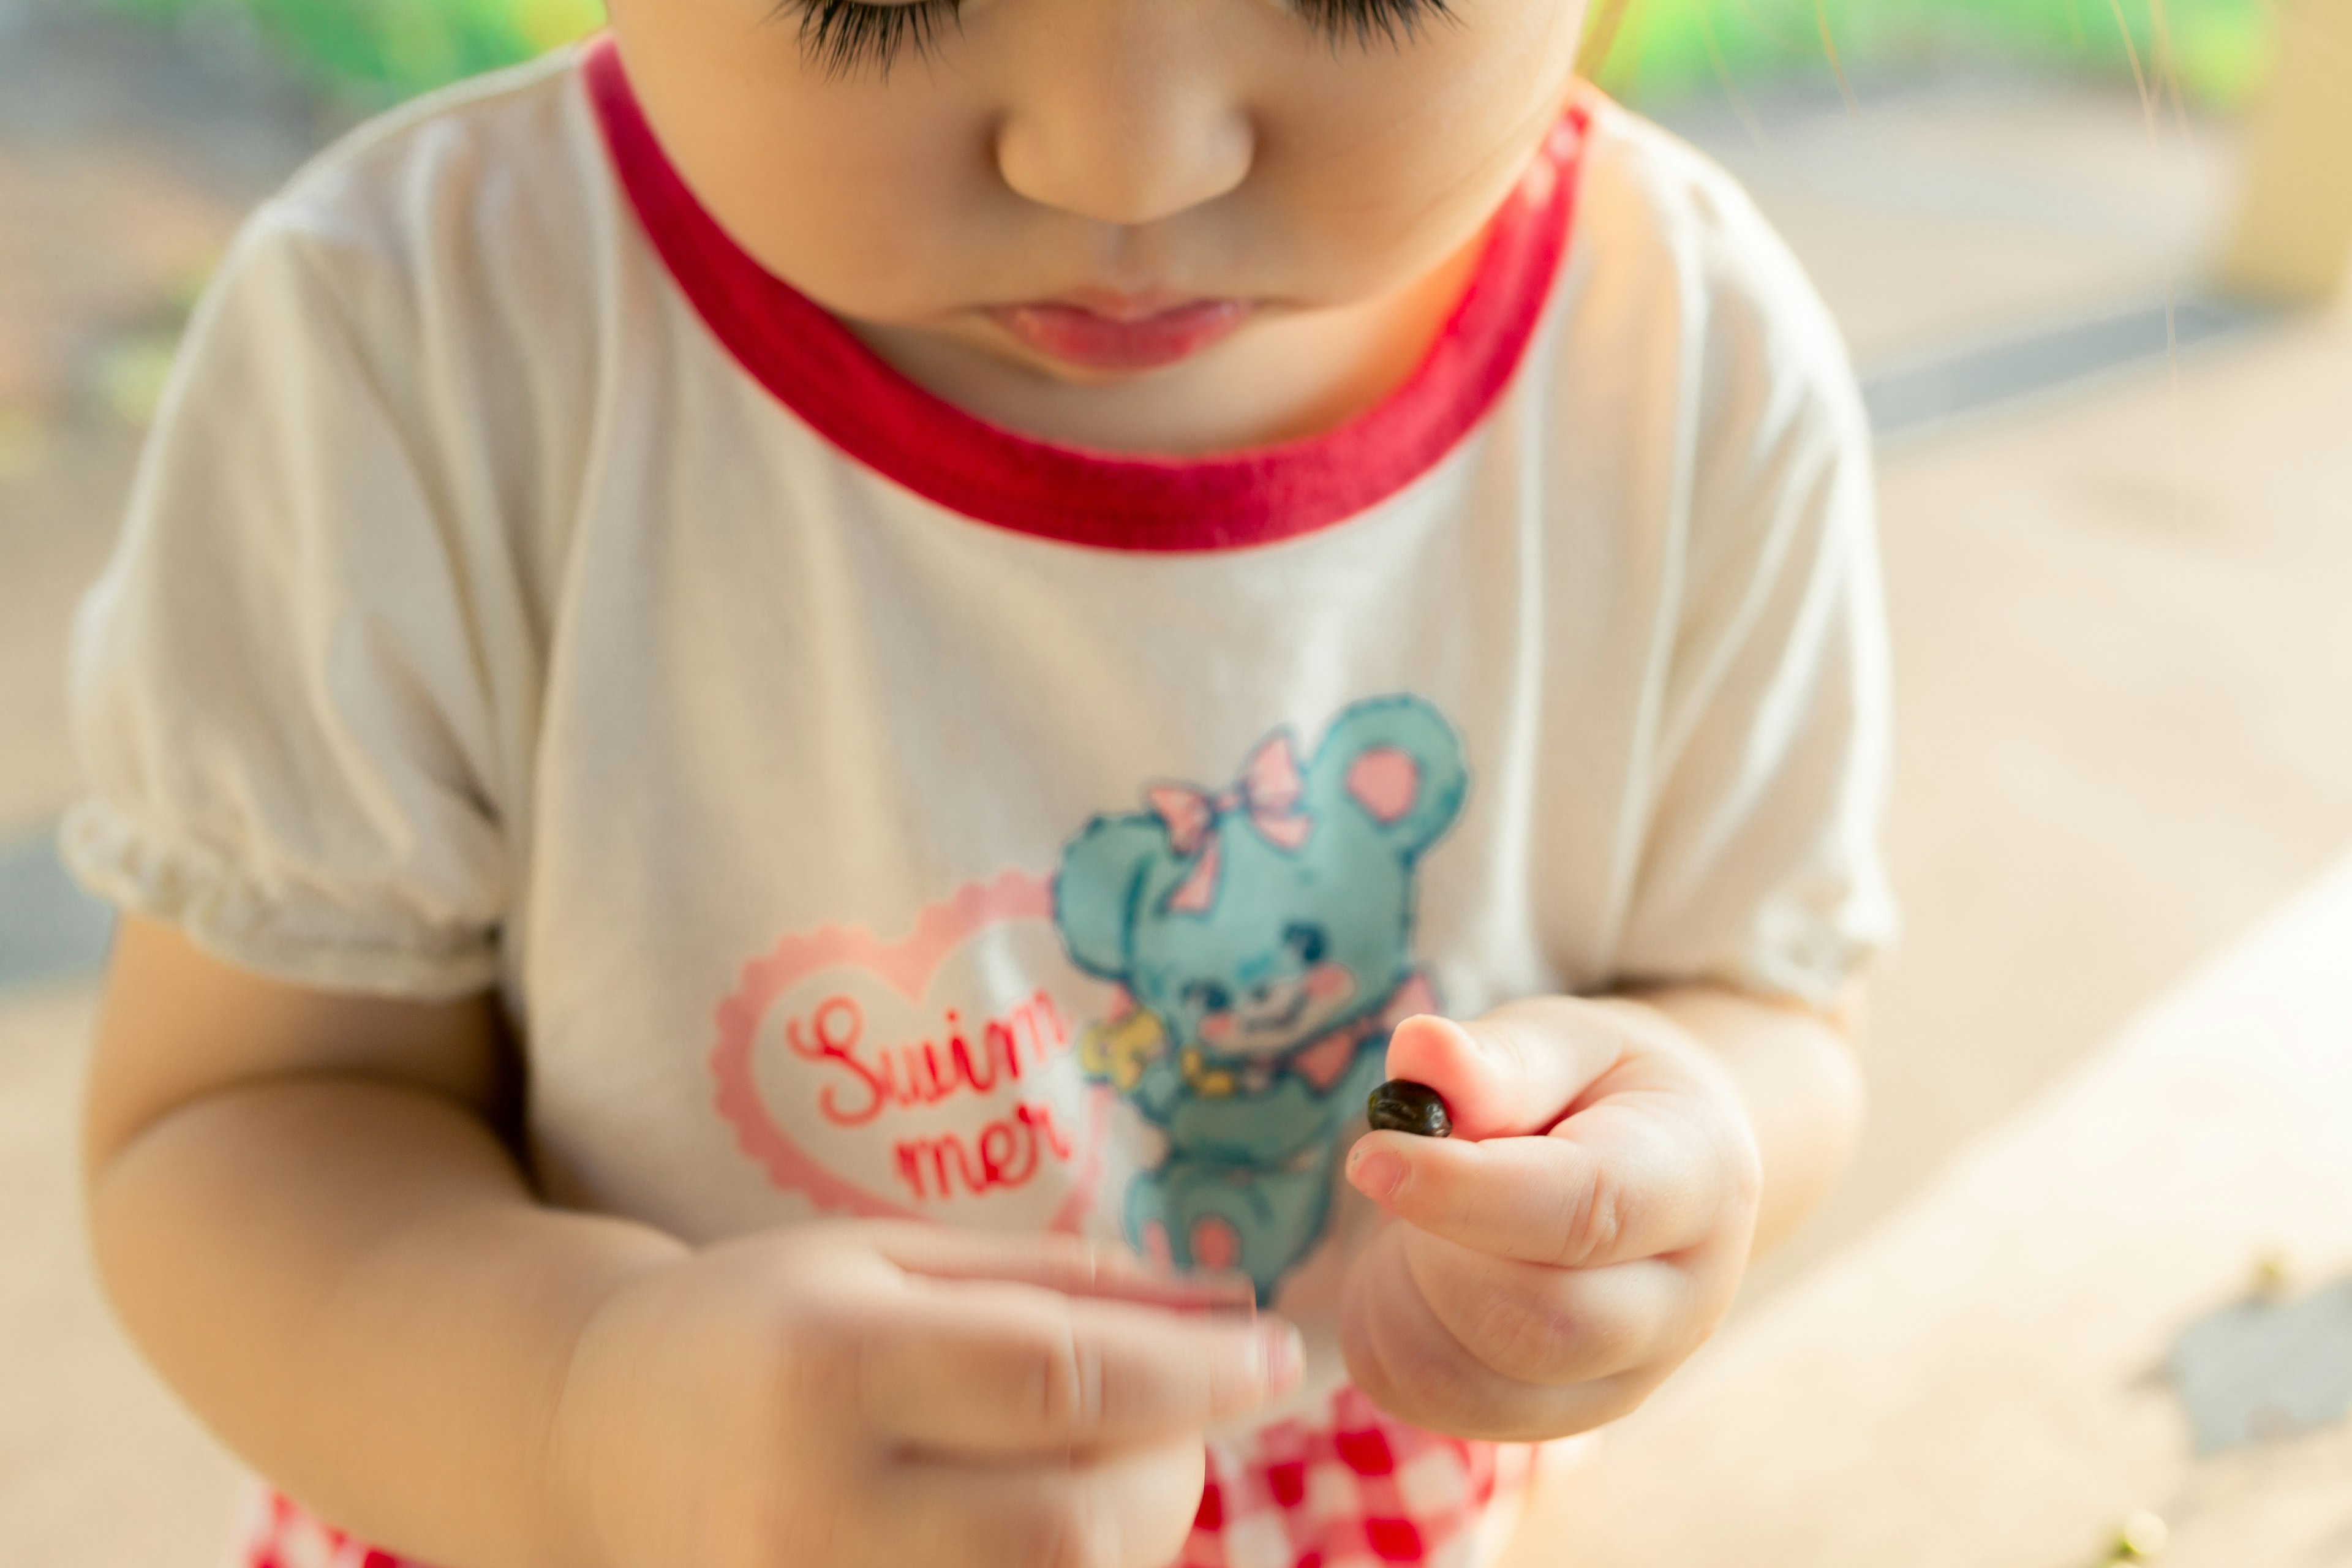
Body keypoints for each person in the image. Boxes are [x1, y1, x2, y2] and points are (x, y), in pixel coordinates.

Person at [63, 0, 1896, 1560]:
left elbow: (1762, 1001)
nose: (1128, 162)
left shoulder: (1687, 365)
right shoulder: (419, 344)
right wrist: (591, 1412)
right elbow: (242, 1126)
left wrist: (1666, 1157)